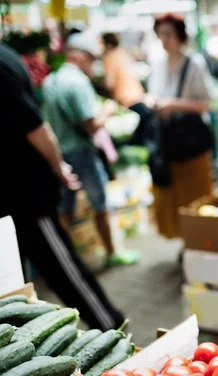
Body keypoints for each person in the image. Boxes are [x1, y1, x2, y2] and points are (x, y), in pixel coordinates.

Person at [0, 43, 125, 331]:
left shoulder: (2, 64)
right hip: (15, 191)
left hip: (23, 192)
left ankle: (112, 328)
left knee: (61, 268)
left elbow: (37, 128)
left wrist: (59, 168)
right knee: (18, 278)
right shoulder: (8, 56)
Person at [43, 32, 140, 267]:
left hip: (58, 154)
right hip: (81, 152)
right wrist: (107, 110)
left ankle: (65, 260)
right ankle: (111, 253)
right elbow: (91, 125)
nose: (92, 65)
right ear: (81, 57)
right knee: (100, 203)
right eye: (90, 59)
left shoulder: (50, 81)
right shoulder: (77, 82)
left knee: (65, 209)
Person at [146, 13, 214, 239]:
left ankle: (199, 238)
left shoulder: (194, 64)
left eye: (169, 34)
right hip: (168, 143)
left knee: (194, 195)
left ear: (179, 36)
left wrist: (173, 104)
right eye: (161, 34)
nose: (164, 39)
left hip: (190, 143)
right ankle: (184, 239)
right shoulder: (157, 64)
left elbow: (206, 104)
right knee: (171, 196)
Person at [101, 32, 150, 146]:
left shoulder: (109, 57)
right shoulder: (123, 54)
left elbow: (109, 83)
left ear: (107, 44)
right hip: (138, 95)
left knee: (131, 142)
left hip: (126, 100)